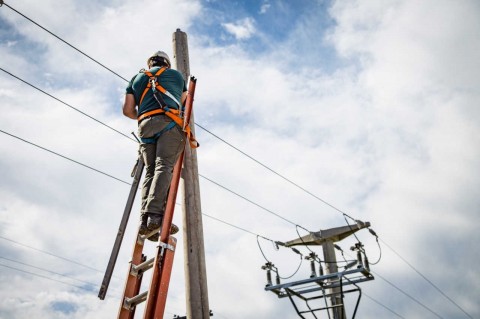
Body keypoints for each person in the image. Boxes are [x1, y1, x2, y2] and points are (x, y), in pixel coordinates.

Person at [122, 51, 187, 239]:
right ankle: (155, 217)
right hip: (169, 122)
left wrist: (144, 114)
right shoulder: (176, 75)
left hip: (144, 126)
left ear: (150, 64)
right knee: (163, 166)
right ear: (167, 63)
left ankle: (145, 221)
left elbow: (128, 110)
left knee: (150, 171)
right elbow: (183, 102)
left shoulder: (136, 78)